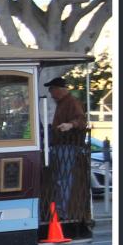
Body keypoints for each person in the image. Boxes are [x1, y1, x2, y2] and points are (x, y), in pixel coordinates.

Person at [45, 76, 87, 218]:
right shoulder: (63, 103)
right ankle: (59, 210)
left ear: (58, 90)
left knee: (63, 179)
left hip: (67, 146)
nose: (50, 93)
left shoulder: (71, 102)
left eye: (51, 90)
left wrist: (70, 125)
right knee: (60, 179)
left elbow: (81, 120)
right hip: (61, 145)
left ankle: (61, 212)